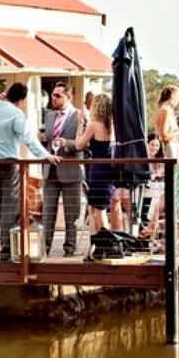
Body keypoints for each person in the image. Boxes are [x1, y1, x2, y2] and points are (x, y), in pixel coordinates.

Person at [0, 81, 52, 261]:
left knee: (0, 207)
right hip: (10, 165)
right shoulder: (16, 114)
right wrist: (45, 155)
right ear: (21, 100)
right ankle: (6, 251)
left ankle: (7, 246)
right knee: (10, 209)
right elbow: (29, 138)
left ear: (6, 94)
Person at [40, 80, 84, 256]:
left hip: (71, 171)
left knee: (71, 213)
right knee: (48, 211)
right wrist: (42, 138)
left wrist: (68, 144)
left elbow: (84, 144)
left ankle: (70, 248)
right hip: (50, 170)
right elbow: (48, 139)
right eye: (53, 95)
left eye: (58, 95)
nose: (54, 98)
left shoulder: (79, 116)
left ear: (69, 96)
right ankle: (44, 248)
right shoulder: (49, 115)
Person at [73, 92, 117, 234]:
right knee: (93, 207)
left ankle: (106, 242)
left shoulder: (94, 125)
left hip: (98, 170)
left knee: (99, 209)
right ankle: (94, 243)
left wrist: (80, 123)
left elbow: (79, 145)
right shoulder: (114, 125)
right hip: (111, 168)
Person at [154, 85, 179, 159]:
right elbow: (163, 136)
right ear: (172, 96)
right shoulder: (165, 111)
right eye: (178, 97)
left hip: (173, 150)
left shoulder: (168, 110)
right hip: (168, 152)